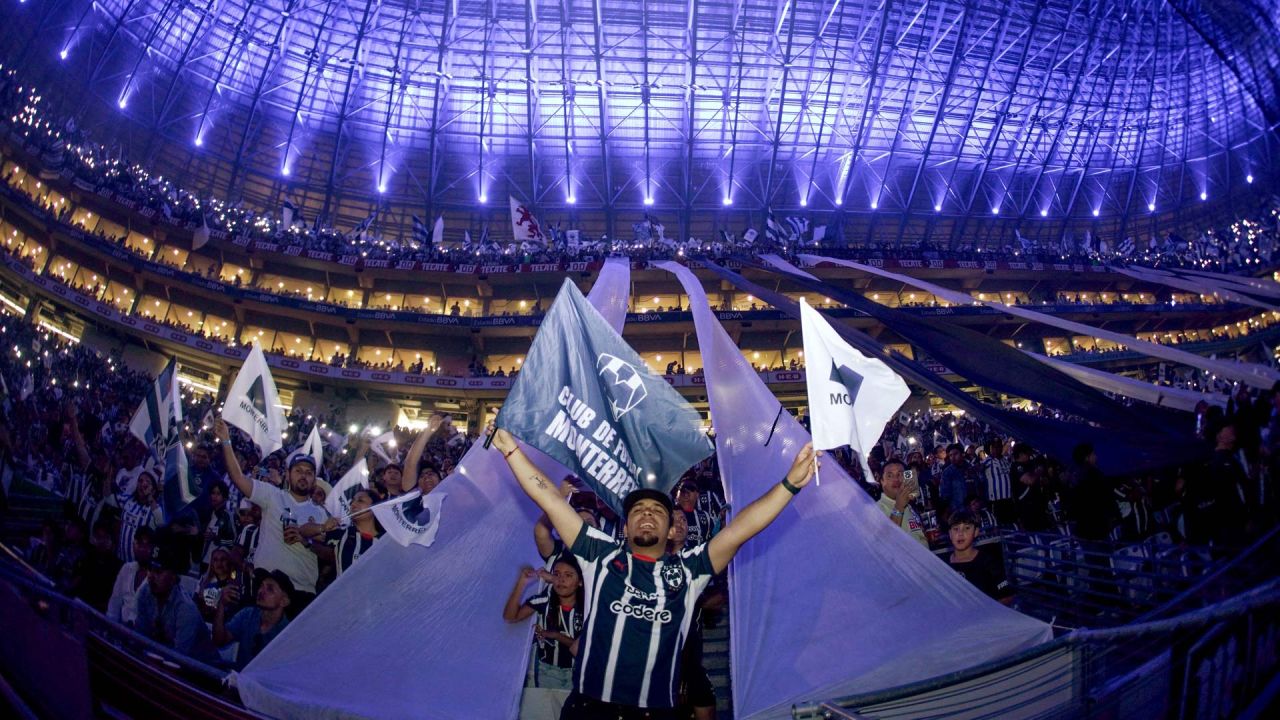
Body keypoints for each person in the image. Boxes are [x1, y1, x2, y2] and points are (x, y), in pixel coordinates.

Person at [491, 428, 818, 718]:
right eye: (638, 510)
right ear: (626, 526)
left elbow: (738, 531)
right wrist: (510, 450)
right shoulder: (599, 555)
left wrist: (790, 484)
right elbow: (550, 499)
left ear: (671, 530)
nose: (647, 514)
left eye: (657, 511)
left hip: (655, 712)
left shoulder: (689, 570)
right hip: (590, 709)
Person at [216, 418, 329, 611]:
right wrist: (226, 440)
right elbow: (238, 478)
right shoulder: (272, 495)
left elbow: (330, 555)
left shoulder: (322, 514)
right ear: (288, 475)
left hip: (300, 592)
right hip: (264, 586)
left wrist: (307, 542)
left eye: (309, 472)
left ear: (314, 480)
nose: (303, 475)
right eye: (298, 471)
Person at [503, 555, 585, 690]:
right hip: (547, 671)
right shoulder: (545, 601)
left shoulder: (588, 608)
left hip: (581, 671)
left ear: (580, 581)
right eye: (556, 574)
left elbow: (584, 650)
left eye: (568, 575)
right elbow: (510, 616)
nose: (561, 580)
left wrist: (556, 636)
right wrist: (522, 582)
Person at [134, 547, 218, 663]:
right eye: (150, 569)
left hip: (201, 669)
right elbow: (140, 636)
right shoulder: (145, 592)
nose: (150, 576)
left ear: (173, 577)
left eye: (158, 571)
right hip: (165, 662)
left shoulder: (186, 609)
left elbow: (177, 660)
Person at [213, 569, 293, 671]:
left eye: (270, 589)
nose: (261, 591)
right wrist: (221, 605)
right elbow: (219, 640)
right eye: (261, 586)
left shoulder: (287, 634)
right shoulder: (248, 614)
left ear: (284, 601)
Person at [303, 489, 384, 576]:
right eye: (352, 501)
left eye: (360, 500)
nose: (353, 504)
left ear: (375, 507)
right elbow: (303, 530)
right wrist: (323, 527)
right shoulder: (343, 534)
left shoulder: (385, 541)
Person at [946, 510, 1013, 605]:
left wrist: (985, 610)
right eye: (956, 529)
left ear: (976, 532)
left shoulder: (989, 563)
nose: (960, 533)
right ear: (950, 534)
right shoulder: (942, 564)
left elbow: (1006, 597)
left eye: (967, 528)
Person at [107, 526, 156, 626]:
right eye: (139, 544)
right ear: (134, 545)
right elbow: (114, 604)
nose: (142, 549)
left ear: (153, 548)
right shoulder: (127, 568)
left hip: (141, 632)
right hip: (119, 629)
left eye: (146, 545)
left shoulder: (157, 578)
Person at [876, 459, 928, 547]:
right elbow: (884, 541)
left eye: (900, 474)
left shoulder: (910, 504)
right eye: (890, 476)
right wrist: (899, 506)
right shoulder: (876, 509)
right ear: (882, 481)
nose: (896, 479)